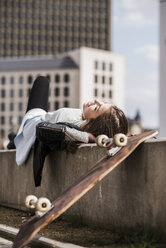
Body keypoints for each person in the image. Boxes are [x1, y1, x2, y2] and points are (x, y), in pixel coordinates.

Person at [13, 76, 128, 186]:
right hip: (42, 117)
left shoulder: (73, 133)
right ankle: (12, 139)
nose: (96, 101)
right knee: (12, 139)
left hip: (32, 123)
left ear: (94, 123)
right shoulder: (83, 119)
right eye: (102, 102)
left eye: (97, 108)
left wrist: (86, 137)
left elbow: (42, 129)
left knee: (42, 81)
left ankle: (13, 139)